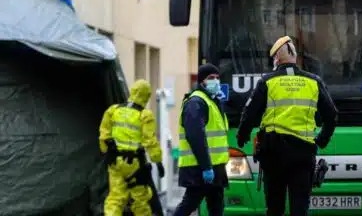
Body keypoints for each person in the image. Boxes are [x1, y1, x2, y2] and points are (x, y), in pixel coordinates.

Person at [236, 35, 338, 216]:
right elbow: (331, 115)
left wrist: (242, 136)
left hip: (273, 154)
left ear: (276, 59)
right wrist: (321, 140)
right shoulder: (314, 82)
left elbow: (249, 114)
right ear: (295, 57)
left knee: (275, 208)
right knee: (300, 209)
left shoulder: (267, 82)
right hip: (303, 154)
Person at [99, 79, 165, 216]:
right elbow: (150, 141)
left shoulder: (113, 110)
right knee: (140, 200)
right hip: (135, 164)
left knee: (115, 199)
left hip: (115, 162)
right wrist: (157, 161)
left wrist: (106, 152)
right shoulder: (144, 115)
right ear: (146, 96)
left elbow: (104, 135)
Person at [173, 64, 230, 216]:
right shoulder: (196, 102)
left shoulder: (212, 101)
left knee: (216, 207)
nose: (216, 81)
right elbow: (195, 136)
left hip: (214, 167)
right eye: (211, 78)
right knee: (189, 204)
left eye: (218, 78)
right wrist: (206, 167)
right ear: (201, 82)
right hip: (199, 167)